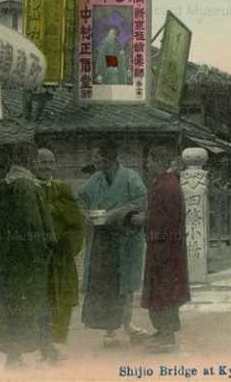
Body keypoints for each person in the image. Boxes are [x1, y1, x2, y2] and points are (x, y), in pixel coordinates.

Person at [0, 143, 61, 368]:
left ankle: (36, 352)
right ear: (30, 161)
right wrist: (43, 251)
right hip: (28, 260)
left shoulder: (2, 184)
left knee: (14, 308)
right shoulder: (26, 186)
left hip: (8, 259)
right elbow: (31, 225)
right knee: (31, 305)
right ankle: (20, 357)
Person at [78, 140, 148, 348]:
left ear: (109, 157)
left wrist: (116, 214)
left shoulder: (130, 177)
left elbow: (140, 202)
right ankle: (110, 331)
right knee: (106, 285)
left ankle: (128, 324)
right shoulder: (95, 178)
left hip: (125, 238)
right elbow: (80, 199)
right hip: (103, 240)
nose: (94, 161)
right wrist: (86, 214)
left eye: (97, 157)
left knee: (125, 285)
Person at [133, 146, 190, 352]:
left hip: (165, 248)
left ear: (158, 162)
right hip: (161, 246)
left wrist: (142, 220)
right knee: (160, 290)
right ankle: (162, 331)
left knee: (164, 291)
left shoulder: (168, 186)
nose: (147, 165)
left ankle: (167, 336)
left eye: (149, 161)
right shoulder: (164, 183)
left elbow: (167, 220)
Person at [34, 148, 85, 347]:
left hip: (61, 255)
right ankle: (42, 342)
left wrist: (67, 247)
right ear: (34, 164)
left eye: (50, 162)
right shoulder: (29, 188)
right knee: (40, 297)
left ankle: (59, 340)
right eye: (42, 162)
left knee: (63, 296)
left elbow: (76, 222)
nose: (46, 166)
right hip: (38, 255)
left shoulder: (62, 188)